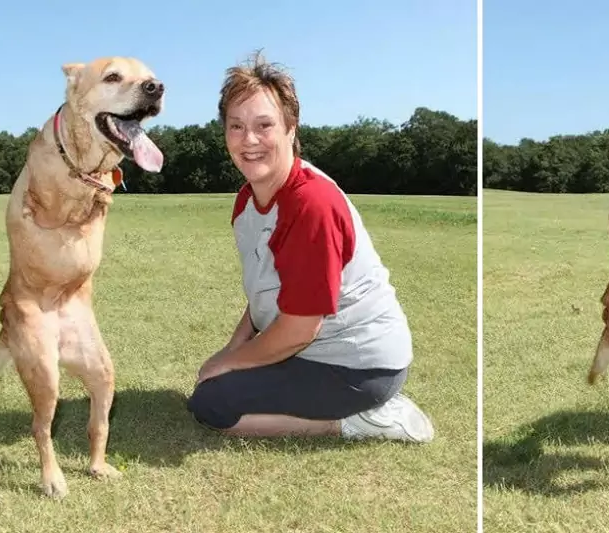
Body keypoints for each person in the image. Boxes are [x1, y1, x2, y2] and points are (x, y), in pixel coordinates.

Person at [186, 50, 434, 443]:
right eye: (236, 126)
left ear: (290, 129)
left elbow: (301, 327)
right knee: (216, 386)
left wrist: (230, 363)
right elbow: (266, 293)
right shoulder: (247, 202)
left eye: (263, 125)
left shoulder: (311, 204)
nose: (249, 140)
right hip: (312, 351)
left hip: (358, 366)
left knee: (212, 405)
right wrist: (229, 352)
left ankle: (364, 421)